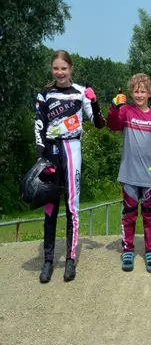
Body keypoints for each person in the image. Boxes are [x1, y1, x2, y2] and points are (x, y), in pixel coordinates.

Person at [35, 50, 106, 283]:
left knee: (72, 206)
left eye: (63, 68)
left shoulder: (80, 92)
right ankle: (47, 261)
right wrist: (40, 157)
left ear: (71, 69)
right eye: (56, 68)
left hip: (72, 149)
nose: (60, 72)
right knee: (49, 206)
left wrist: (94, 102)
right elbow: (39, 126)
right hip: (51, 152)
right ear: (51, 69)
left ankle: (70, 259)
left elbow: (98, 123)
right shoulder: (45, 94)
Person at [109, 75, 151, 273]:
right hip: (128, 174)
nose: (139, 95)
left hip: (149, 177)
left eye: (143, 91)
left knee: (149, 215)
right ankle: (128, 249)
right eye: (136, 91)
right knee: (128, 215)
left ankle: (150, 251)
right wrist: (114, 106)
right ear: (131, 92)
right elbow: (112, 125)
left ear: (149, 93)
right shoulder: (126, 111)